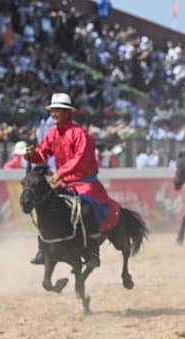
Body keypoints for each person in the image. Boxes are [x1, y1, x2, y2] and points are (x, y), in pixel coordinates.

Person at [25, 93, 122, 267]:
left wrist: (60, 173)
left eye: (58, 111)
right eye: (52, 110)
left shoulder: (79, 135)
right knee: (43, 206)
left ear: (67, 113)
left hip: (85, 184)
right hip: (63, 183)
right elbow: (42, 153)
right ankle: (43, 248)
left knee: (86, 210)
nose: (53, 114)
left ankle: (93, 251)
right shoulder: (52, 133)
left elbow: (79, 159)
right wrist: (32, 155)